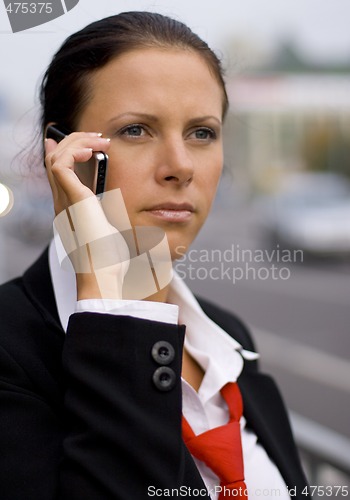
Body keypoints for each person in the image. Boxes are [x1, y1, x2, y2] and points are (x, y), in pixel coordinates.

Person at [0, 11, 309, 500]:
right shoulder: (10, 350)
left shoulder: (228, 337)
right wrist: (111, 306)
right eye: (136, 131)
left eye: (201, 133)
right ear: (62, 156)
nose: (181, 166)